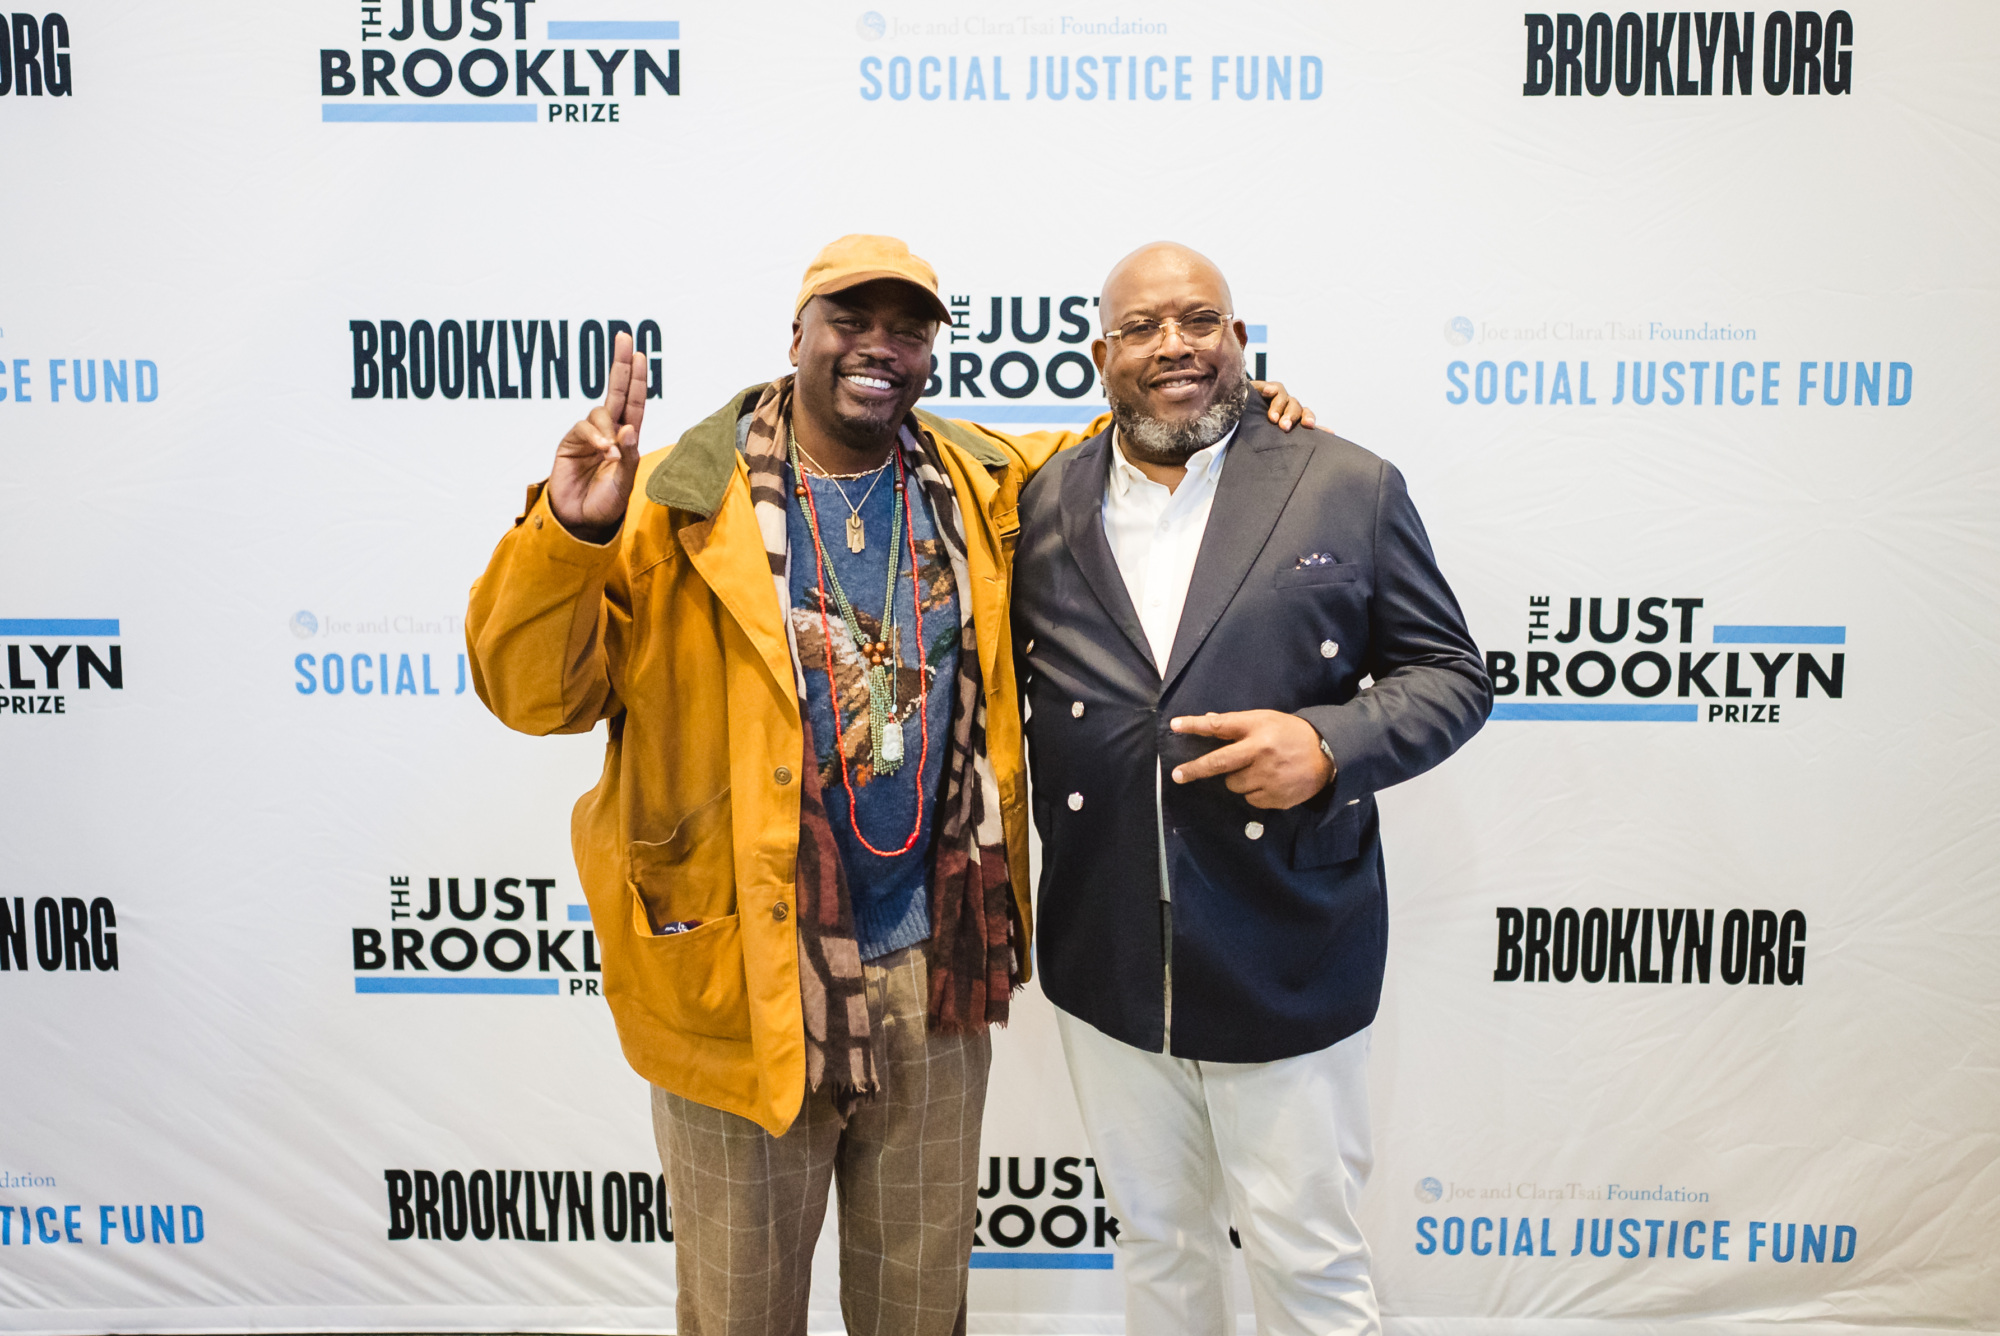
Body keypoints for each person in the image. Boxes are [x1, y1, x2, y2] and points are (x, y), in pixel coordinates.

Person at [464, 235, 1312, 1336]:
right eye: (850, 321)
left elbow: (1130, 444)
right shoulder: (673, 501)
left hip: (934, 971)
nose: (879, 348)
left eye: (906, 330)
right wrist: (571, 531)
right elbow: (533, 695)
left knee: (918, 1311)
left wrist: (1245, 415)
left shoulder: (980, 481)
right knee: (739, 1313)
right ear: (797, 337)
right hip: (745, 978)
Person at [1012, 242, 1490, 1336]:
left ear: (1238, 339)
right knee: (1157, 1245)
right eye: (1141, 327)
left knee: (1305, 1256)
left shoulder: (1344, 484)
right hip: (1106, 950)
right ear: (1101, 355)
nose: (1173, 345)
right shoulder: (1042, 500)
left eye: (1199, 320)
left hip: (1285, 942)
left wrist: (1327, 742)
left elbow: (1452, 676)